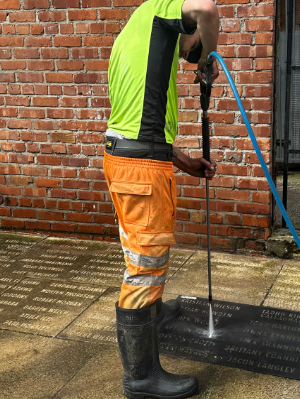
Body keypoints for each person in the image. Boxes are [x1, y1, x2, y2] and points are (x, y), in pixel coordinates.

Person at [102, 0, 220, 397]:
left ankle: (153, 309)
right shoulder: (159, 10)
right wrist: (206, 55)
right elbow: (206, 8)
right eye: (188, 48)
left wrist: (186, 162)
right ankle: (141, 379)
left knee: (138, 255)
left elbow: (140, 122)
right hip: (141, 173)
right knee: (145, 269)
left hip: (123, 159)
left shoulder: (131, 34)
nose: (187, 54)